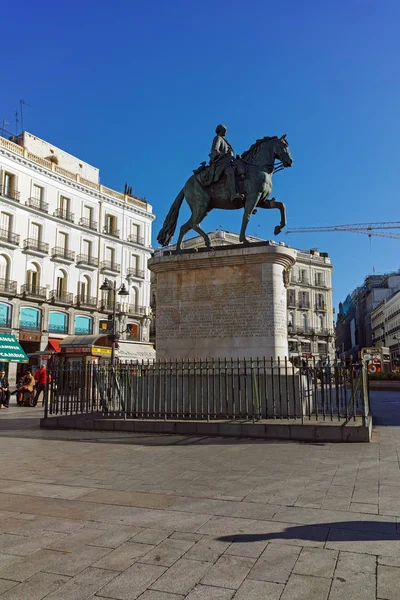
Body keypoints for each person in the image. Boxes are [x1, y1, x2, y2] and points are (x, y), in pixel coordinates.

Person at [209, 124, 244, 202]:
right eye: (224, 130)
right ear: (219, 130)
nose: (226, 132)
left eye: (226, 130)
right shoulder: (218, 138)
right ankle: (233, 194)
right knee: (230, 172)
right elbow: (215, 149)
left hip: (229, 160)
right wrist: (223, 154)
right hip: (222, 162)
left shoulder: (225, 141)